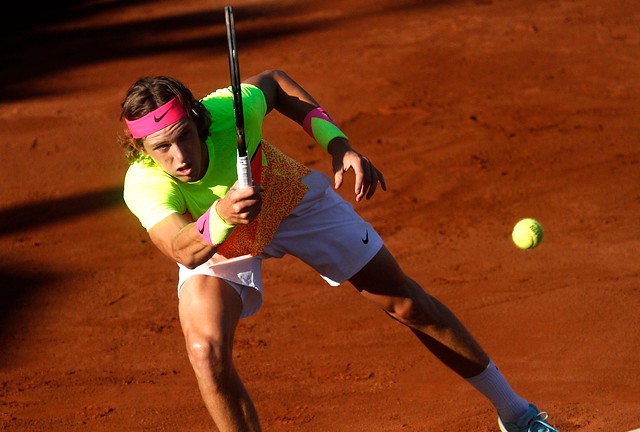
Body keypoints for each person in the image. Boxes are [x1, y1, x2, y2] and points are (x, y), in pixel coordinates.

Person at [118, 69, 560, 432]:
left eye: (185, 136)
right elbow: (182, 248)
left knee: (404, 302)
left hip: (285, 197)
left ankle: (516, 415)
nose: (180, 155)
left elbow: (275, 84)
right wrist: (222, 216)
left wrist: (338, 145)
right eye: (162, 148)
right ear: (141, 149)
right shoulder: (144, 183)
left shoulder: (228, 112)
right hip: (219, 233)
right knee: (204, 351)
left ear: (198, 120)